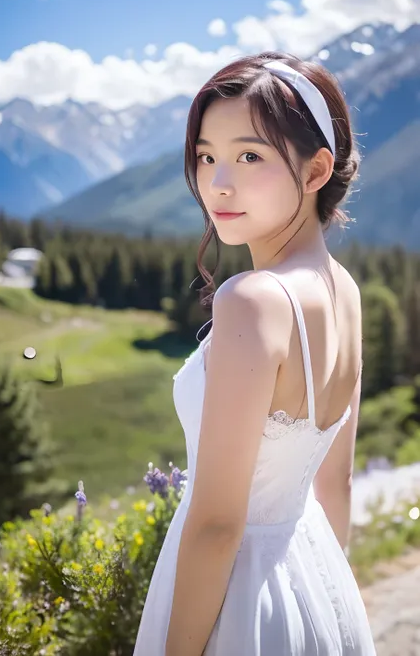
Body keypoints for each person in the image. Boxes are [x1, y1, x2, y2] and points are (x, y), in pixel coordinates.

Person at [133, 51, 377, 655]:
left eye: (249, 156)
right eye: (206, 156)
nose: (218, 183)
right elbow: (336, 482)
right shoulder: (343, 289)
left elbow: (218, 523)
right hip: (313, 574)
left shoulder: (253, 299)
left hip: (238, 596)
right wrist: (322, 598)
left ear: (317, 168)